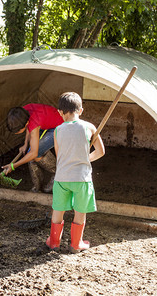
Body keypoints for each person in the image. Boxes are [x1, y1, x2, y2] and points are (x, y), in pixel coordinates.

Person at [46, 92, 105, 252]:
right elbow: (100, 152)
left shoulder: (57, 130)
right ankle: (76, 244)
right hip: (82, 179)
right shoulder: (90, 127)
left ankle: (54, 242)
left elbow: (59, 155)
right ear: (81, 110)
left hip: (62, 178)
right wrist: (85, 158)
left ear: (60, 112)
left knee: (58, 210)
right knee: (80, 212)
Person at [2, 103, 64, 193]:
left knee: (34, 154)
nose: (16, 133)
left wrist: (13, 165)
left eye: (17, 131)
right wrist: (25, 144)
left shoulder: (34, 123)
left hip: (59, 127)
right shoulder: (22, 112)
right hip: (45, 122)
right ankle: (37, 186)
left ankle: (58, 174)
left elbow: (34, 152)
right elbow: (29, 127)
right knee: (30, 154)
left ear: (25, 123)